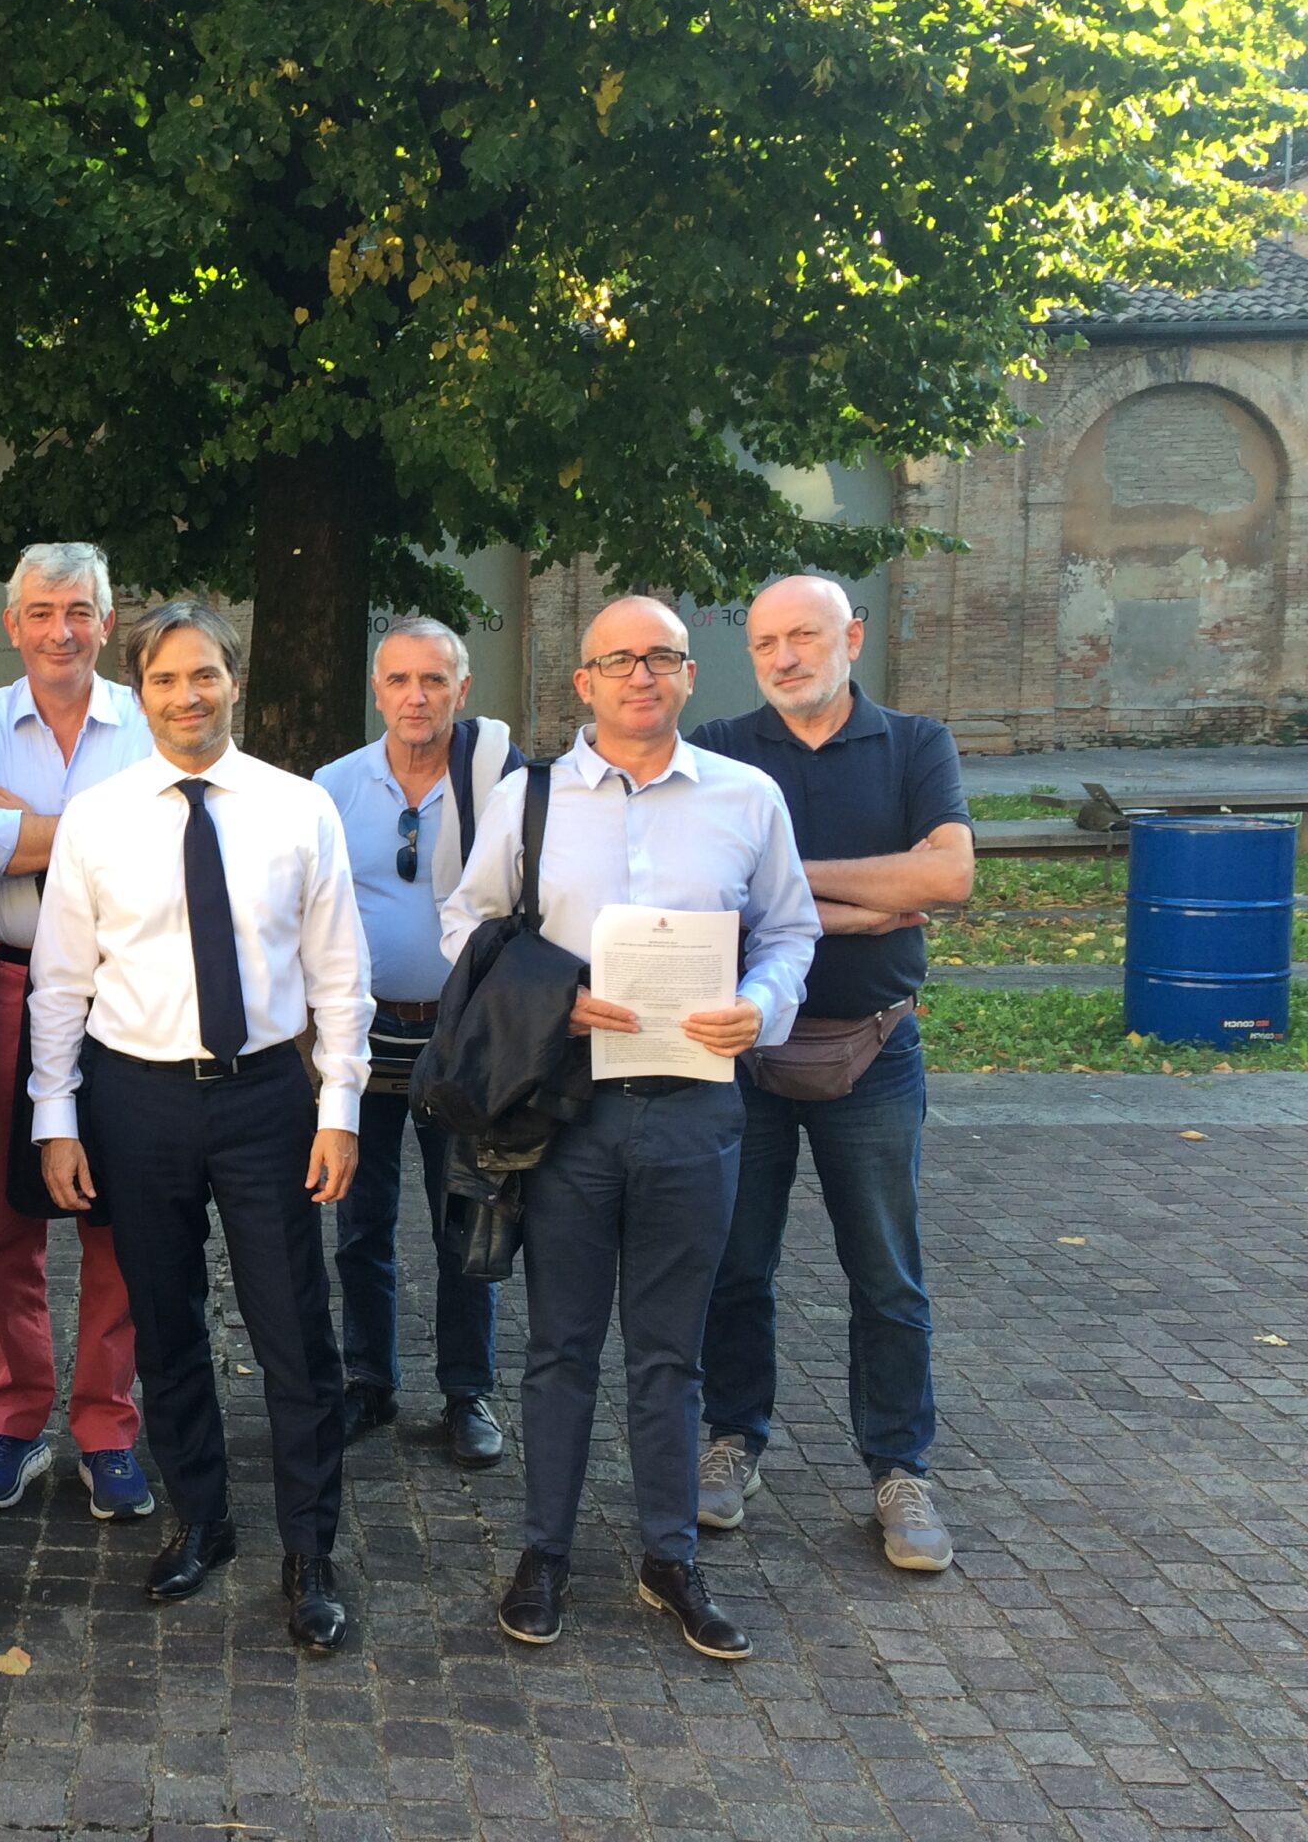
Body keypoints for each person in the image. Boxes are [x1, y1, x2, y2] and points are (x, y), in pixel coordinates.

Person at [440, 596, 819, 1663]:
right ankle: (544, 1553)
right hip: (568, 1115)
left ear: (690, 676)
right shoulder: (533, 801)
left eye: (661, 658)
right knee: (560, 1347)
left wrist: (765, 1005)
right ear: (584, 682)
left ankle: (669, 1558)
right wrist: (548, 998)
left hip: (697, 1108)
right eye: (618, 660)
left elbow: (791, 929)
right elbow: (465, 926)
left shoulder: (747, 799)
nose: (640, 676)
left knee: (669, 1352)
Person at [30, 600, 372, 1651]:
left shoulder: (298, 807)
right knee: (166, 1328)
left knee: (294, 1336)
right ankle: (202, 1520)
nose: (187, 696)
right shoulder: (97, 816)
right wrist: (56, 1117)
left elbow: (338, 971)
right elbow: (59, 979)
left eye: (206, 675)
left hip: (267, 1094)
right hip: (135, 1100)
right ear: (142, 691)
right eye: (167, 679)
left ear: (235, 681)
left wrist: (340, 1105)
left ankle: (311, 1550)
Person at [692, 575, 973, 1571]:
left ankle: (899, 1470)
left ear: (850, 636)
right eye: (764, 640)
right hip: (745, 1050)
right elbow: (703, 893)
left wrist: (790, 883)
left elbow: (945, 877)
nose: (783, 657)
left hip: (873, 1049)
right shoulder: (720, 751)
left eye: (803, 635)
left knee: (886, 1275)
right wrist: (863, 898)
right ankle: (731, 1441)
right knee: (735, 1265)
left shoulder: (914, 744)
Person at [0, 542, 153, 1518]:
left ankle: (108, 1425)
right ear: (11, 623)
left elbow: (163, 851)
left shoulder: (149, 722)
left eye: (79, 610)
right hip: (4, 988)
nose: (60, 630)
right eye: (41, 611)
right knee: (7, 1224)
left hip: (126, 998)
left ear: (106, 621)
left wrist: (33, 821)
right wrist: (99, 824)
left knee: (118, 1223)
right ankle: (13, 1418)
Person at [312, 616, 522, 1468]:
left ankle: (467, 1390)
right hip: (364, 1038)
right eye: (399, 680)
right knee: (362, 1222)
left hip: (464, 1040)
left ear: (462, 690)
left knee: (467, 1216)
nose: (416, 696)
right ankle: (369, 1378)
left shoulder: (497, 782)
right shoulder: (333, 786)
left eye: (434, 680)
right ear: (377, 689)